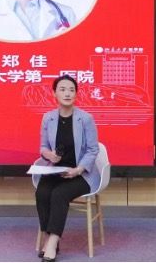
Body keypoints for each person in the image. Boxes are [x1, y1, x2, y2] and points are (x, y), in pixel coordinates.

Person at [34, 75, 99, 262]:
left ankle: (52, 242)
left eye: (71, 90)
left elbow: (93, 149)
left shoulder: (85, 119)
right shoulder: (48, 118)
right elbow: (43, 147)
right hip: (56, 170)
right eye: (62, 89)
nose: (67, 93)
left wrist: (78, 169)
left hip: (81, 174)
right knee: (42, 193)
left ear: (76, 94)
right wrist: (49, 155)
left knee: (59, 194)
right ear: (54, 93)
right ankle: (48, 236)